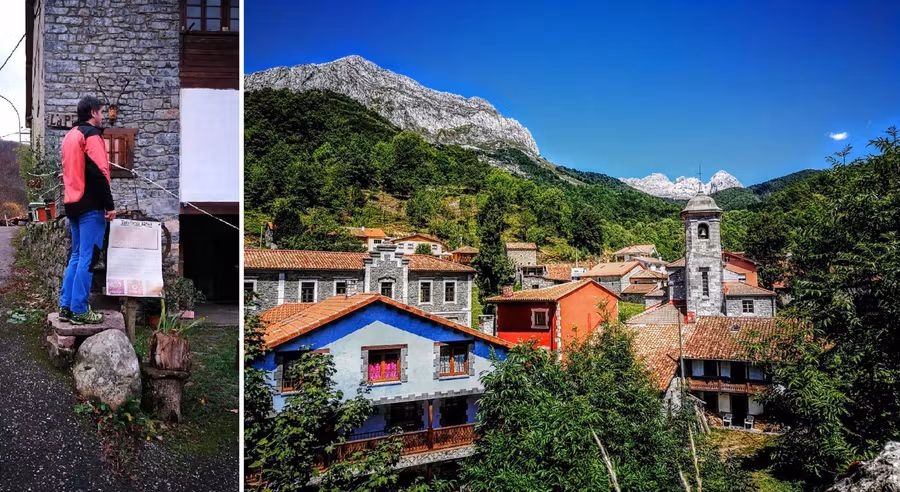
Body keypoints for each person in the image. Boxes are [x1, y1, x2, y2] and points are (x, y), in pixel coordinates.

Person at [58, 96, 116, 324]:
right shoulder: (91, 135)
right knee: (88, 258)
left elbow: (71, 170)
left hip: (72, 203)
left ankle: (66, 307)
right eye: (102, 112)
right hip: (91, 205)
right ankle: (80, 309)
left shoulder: (70, 136)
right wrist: (110, 205)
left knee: (76, 256)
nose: (103, 116)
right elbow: (101, 172)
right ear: (93, 113)